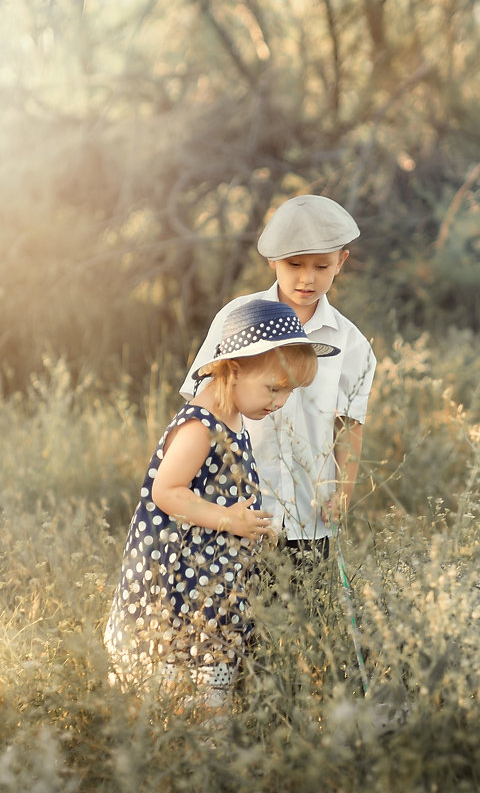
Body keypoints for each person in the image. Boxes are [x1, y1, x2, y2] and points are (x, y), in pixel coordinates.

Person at [104, 298, 340, 719]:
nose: (282, 400)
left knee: (210, 686)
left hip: (210, 582)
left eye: (288, 391)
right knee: (169, 684)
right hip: (177, 582)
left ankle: (207, 747)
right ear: (233, 369)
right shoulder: (200, 426)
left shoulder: (235, 419)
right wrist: (229, 519)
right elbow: (167, 491)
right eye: (275, 387)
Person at [180, 194, 376, 576]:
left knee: (303, 613)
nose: (307, 278)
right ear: (272, 261)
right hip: (237, 505)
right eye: (294, 264)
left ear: (342, 261)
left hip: (310, 511)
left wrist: (343, 491)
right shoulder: (236, 318)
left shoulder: (352, 344)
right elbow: (199, 407)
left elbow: (349, 426)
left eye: (322, 265)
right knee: (238, 617)